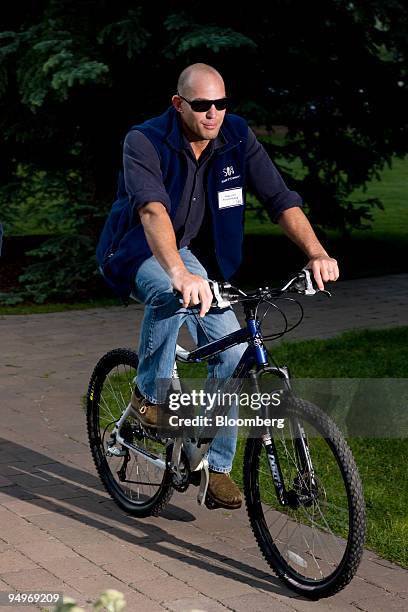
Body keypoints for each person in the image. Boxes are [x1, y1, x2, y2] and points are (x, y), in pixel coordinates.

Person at [100, 63, 339, 510]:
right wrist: (179, 274)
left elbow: (279, 198)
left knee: (233, 353)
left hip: (187, 253)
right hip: (136, 251)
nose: (213, 114)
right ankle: (148, 396)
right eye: (202, 105)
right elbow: (152, 212)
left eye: (221, 104)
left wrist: (316, 253)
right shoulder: (144, 140)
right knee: (169, 293)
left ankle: (215, 465)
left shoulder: (237, 135)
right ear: (178, 104)